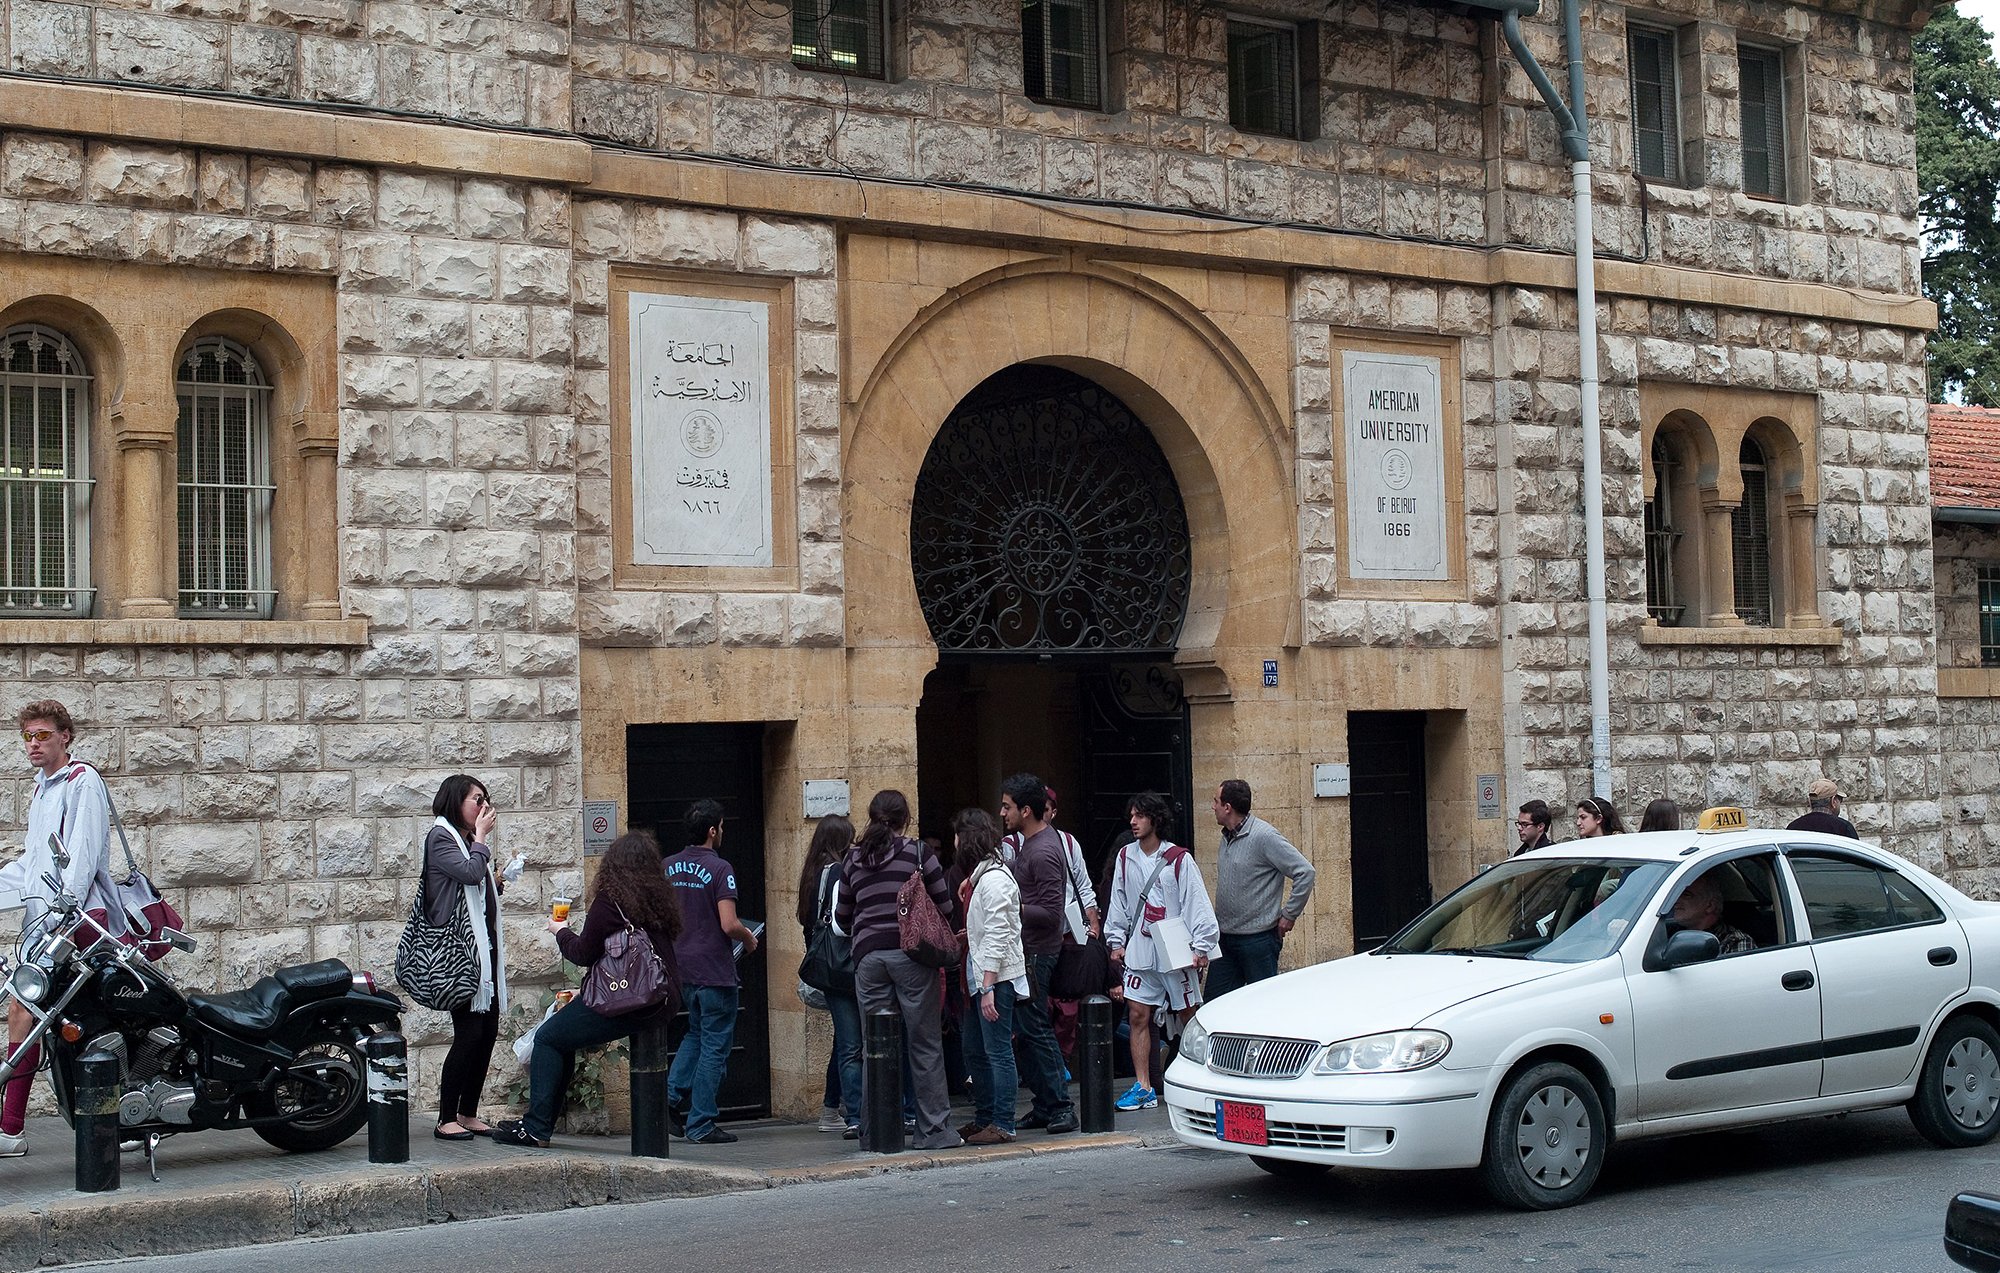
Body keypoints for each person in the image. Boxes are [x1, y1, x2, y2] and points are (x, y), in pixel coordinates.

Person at [495, 831, 682, 1148]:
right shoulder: (658, 899)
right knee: (561, 1039)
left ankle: (537, 1128)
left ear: (613, 865)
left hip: (633, 1000)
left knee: (548, 1038)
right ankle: (538, 1125)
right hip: (661, 997)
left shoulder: (611, 901)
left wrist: (560, 930)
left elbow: (582, 953)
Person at [0, 700, 124, 1158]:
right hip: (44, 922)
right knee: (61, 1018)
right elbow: (33, 865)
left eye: (42, 735)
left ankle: (12, 1129)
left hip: (74, 923)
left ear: (64, 736)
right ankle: (17, 1127)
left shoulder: (81, 781)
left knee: (30, 1011)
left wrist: (59, 919)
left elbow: (84, 857)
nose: (33, 744)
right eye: (27, 737)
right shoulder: (41, 790)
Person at [835, 790, 962, 1150]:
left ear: (872, 817)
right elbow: (946, 904)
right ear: (905, 819)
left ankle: (875, 1132)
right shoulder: (918, 853)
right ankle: (934, 1131)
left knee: (873, 1044)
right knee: (924, 1044)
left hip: (869, 960)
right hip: (912, 957)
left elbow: (842, 917)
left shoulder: (852, 859)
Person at [1104, 790, 1219, 1112]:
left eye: (1139, 815)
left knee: (1188, 1017)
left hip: (1175, 948)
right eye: (1131, 815)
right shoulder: (1126, 856)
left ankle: (1208, 1077)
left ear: (1155, 819)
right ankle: (1144, 1087)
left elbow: (1195, 901)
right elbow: (1120, 899)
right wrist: (1116, 940)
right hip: (1141, 948)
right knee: (1138, 1014)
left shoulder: (1179, 859)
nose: (1133, 821)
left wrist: (1201, 945)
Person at [664, 799, 758, 1146]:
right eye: (721, 826)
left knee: (695, 1034)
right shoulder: (721, 869)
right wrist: (749, 939)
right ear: (713, 830)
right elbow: (729, 923)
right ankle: (701, 1122)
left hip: (682, 967)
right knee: (715, 1045)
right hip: (715, 970)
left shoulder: (668, 866)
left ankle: (669, 1099)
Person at [425, 774, 507, 1141]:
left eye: (486, 800)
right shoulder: (441, 837)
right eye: (477, 799)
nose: (483, 807)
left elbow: (474, 883)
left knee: (487, 1031)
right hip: (459, 954)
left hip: (482, 952)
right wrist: (483, 839)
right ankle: (445, 1118)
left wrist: (497, 882)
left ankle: (467, 1111)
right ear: (456, 801)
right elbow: (471, 871)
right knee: (468, 1034)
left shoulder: (463, 839)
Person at [996, 773, 1079, 1135]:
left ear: (1026, 810)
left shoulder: (1044, 850)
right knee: (1028, 1030)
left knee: (1036, 1028)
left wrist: (1014, 906)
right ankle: (1046, 1104)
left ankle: (1060, 1105)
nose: (1002, 813)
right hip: (1027, 951)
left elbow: (1051, 913)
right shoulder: (1032, 844)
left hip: (1037, 953)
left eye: (1007, 806)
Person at [1204, 779, 1315, 1000]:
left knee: (1262, 1006)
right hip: (1225, 939)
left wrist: (1289, 915)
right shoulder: (1226, 836)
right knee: (1214, 1004)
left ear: (1228, 807)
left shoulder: (1265, 836)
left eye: (1216, 801)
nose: (1212, 806)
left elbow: (1305, 872)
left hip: (1258, 942)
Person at [954, 807, 1026, 1145]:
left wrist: (987, 987)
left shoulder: (995, 880)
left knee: (997, 1051)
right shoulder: (983, 877)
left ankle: (1002, 1122)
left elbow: (999, 933)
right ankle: (985, 1117)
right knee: (975, 1050)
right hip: (981, 976)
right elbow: (987, 929)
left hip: (995, 980)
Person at [795, 813, 859, 1136]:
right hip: (841, 965)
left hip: (824, 966)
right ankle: (842, 1108)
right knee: (850, 1042)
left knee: (843, 1040)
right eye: (849, 838)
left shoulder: (811, 872)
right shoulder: (836, 872)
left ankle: (834, 1106)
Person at [1669, 871, 1755, 954]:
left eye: (1686, 895)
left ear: (1710, 905)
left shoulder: (1734, 942)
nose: (1675, 901)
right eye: (1677, 895)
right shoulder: (1667, 934)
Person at [1788, 778, 1858, 838]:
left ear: (1810, 802)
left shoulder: (1793, 827)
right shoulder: (1843, 828)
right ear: (1833, 801)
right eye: (1840, 800)